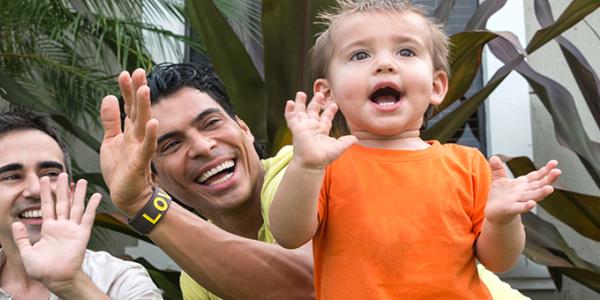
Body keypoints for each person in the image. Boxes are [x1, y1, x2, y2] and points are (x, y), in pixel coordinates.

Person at [100, 62, 533, 300]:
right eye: (170, 144)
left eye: (210, 123)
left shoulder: (307, 172)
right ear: (153, 174)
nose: (201, 147)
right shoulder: (199, 271)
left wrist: (144, 206)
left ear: (245, 129)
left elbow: (308, 286)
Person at [267, 1, 562, 299]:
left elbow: (500, 261)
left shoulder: (467, 165)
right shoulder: (325, 165)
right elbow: (289, 235)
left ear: (436, 86)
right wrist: (306, 166)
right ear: (327, 93)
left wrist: (501, 220)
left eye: (405, 52)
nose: (385, 64)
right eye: (360, 54)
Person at [0, 109, 162, 300]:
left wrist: (72, 285)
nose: (36, 189)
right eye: (12, 177)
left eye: (50, 173)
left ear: (70, 193)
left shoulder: (120, 280)